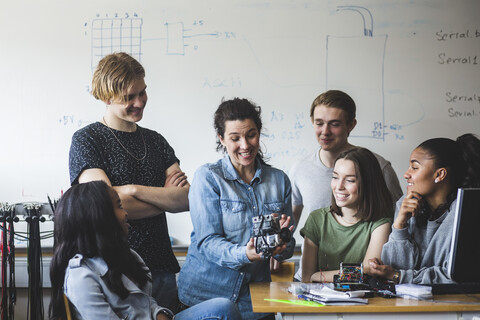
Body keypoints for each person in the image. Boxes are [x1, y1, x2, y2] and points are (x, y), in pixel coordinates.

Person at [68, 52, 189, 311]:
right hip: (114, 271)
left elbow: (185, 199)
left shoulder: (156, 141)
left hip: (161, 267)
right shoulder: (87, 140)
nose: (139, 102)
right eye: (129, 97)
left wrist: (132, 191)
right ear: (106, 97)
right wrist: (163, 198)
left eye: (142, 92)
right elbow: (102, 205)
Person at [49, 181, 241, 320]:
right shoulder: (80, 276)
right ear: (98, 217)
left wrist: (160, 314)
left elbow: (147, 304)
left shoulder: (128, 256)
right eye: (118, 206)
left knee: (223, 307)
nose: (125, 213)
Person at [177, 98, 295, 320]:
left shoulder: (280, 181)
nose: (245, 145)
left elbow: (289, 245)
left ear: (259, 132)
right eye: (235, 138)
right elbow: (208, 242)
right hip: (206, 296)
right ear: (221, 139)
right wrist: (246, 254)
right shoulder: (208, 178)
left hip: (256, 302)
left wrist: (282, 245)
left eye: (251, 135)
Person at [289, 89, 403, 281]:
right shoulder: (299, 169)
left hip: (362, 285)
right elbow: (290, 222)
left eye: (334, 124)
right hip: (312, 283)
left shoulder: (378, 168)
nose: (325, 132)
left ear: (351, 125)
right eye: (319, 123)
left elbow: (398, 223)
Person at [368, 133, 480, 284]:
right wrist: (400, 226)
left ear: (440, 174)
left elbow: (454, 276)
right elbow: (394, 268)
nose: (406, 174)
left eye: (414, 167)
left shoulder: (465, 213)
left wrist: (399, 276)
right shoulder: (405, 204)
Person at [301, 147, 393, 283]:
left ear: (368, 184)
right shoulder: (317, 219)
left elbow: (368, 272)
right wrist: (359, 270)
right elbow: (307, 279)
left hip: (363, 302)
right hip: (320, 302)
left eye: (349, 180)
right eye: (335, 177)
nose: (339, 186)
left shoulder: (380, 223)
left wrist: (319, 276)